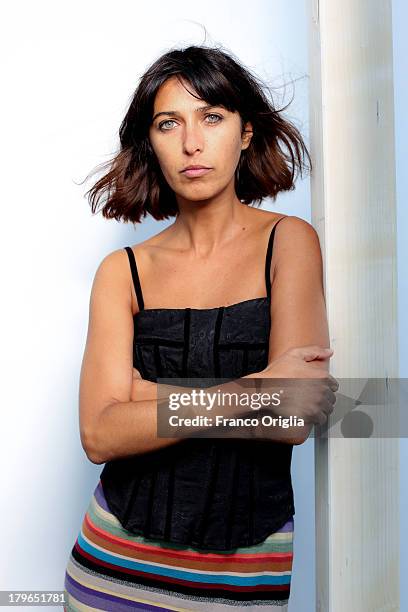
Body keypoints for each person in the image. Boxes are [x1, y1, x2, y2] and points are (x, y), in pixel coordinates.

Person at [63, 44, 337, 611]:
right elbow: (100, 434)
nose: (192, 143)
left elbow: (292, 419)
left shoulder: (289, 242)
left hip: (242, 576)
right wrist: (249, 390)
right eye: (170, 124)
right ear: (151, 141)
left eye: (212, 117)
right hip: (112, 567)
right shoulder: (123, 272)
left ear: (245, 132)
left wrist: (143, 398)